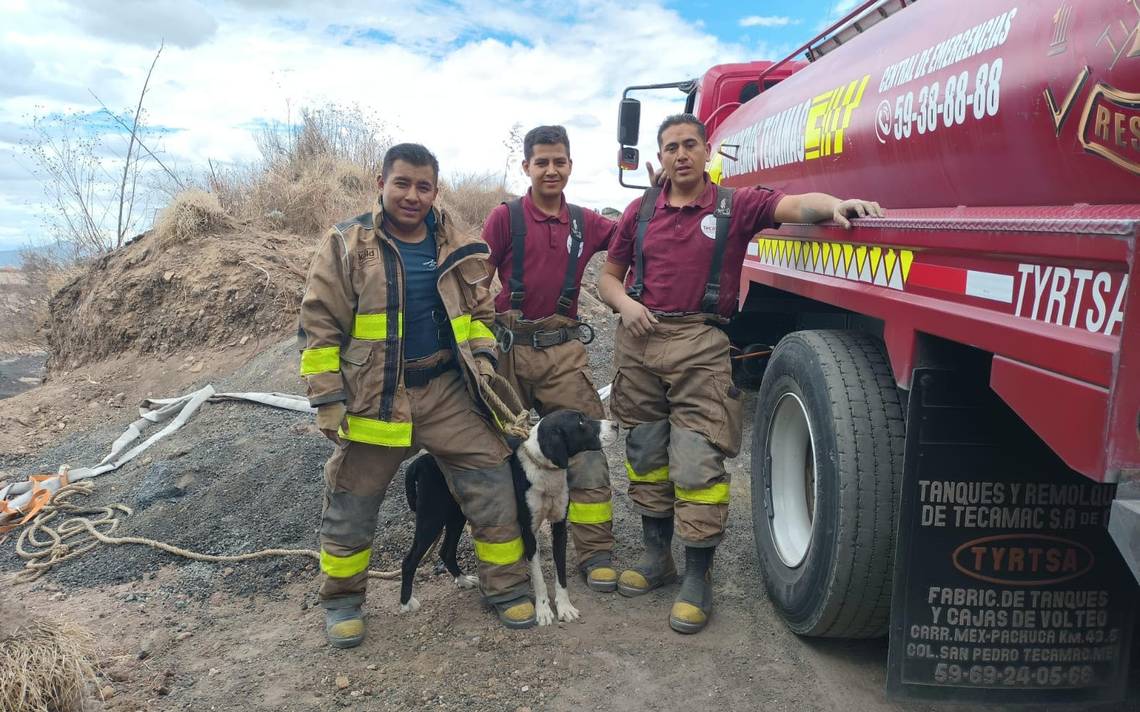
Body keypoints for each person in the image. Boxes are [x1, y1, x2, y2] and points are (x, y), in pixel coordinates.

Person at [597, 114, 883, 634]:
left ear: (708, 151)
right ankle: (657, 557)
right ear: (660, 157)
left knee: (698, 459)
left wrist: (836, 205)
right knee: (644, 454)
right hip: (638, 342)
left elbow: (794, 205)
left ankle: (697, 576)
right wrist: (625, 305)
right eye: (670, 148)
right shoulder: (641, 210)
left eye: (689, 145)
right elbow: (608, 277)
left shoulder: (735, 205)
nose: (680, 154)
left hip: (701, 344)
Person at [298, 143, 536, 648]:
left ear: (435, 190)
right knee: (352, 499)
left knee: (492, 482)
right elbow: (319, 325)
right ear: (381, 183)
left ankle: (506, 587)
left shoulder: (459, 245)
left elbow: (480, 315)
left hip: (448, 392)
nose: (412, 195)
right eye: (401, 183)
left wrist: (484, 361)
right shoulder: (347, 244)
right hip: (377, 397)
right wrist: (327, 400)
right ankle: (342, 601)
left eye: (423, 186)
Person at [481, 125, 620, 592]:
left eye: (559, 161)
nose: (551, 169)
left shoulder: (586, 223)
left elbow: (635, 238)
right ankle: (509, 563)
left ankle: (595, 553)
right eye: (541, 161)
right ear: (527, 166)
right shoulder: (504, 219)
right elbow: (476, 282)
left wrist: (657, 196)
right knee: (500, 451)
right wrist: (476, 350)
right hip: (509, 352)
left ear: (570, 165)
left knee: (588, 448)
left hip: (563, 352)